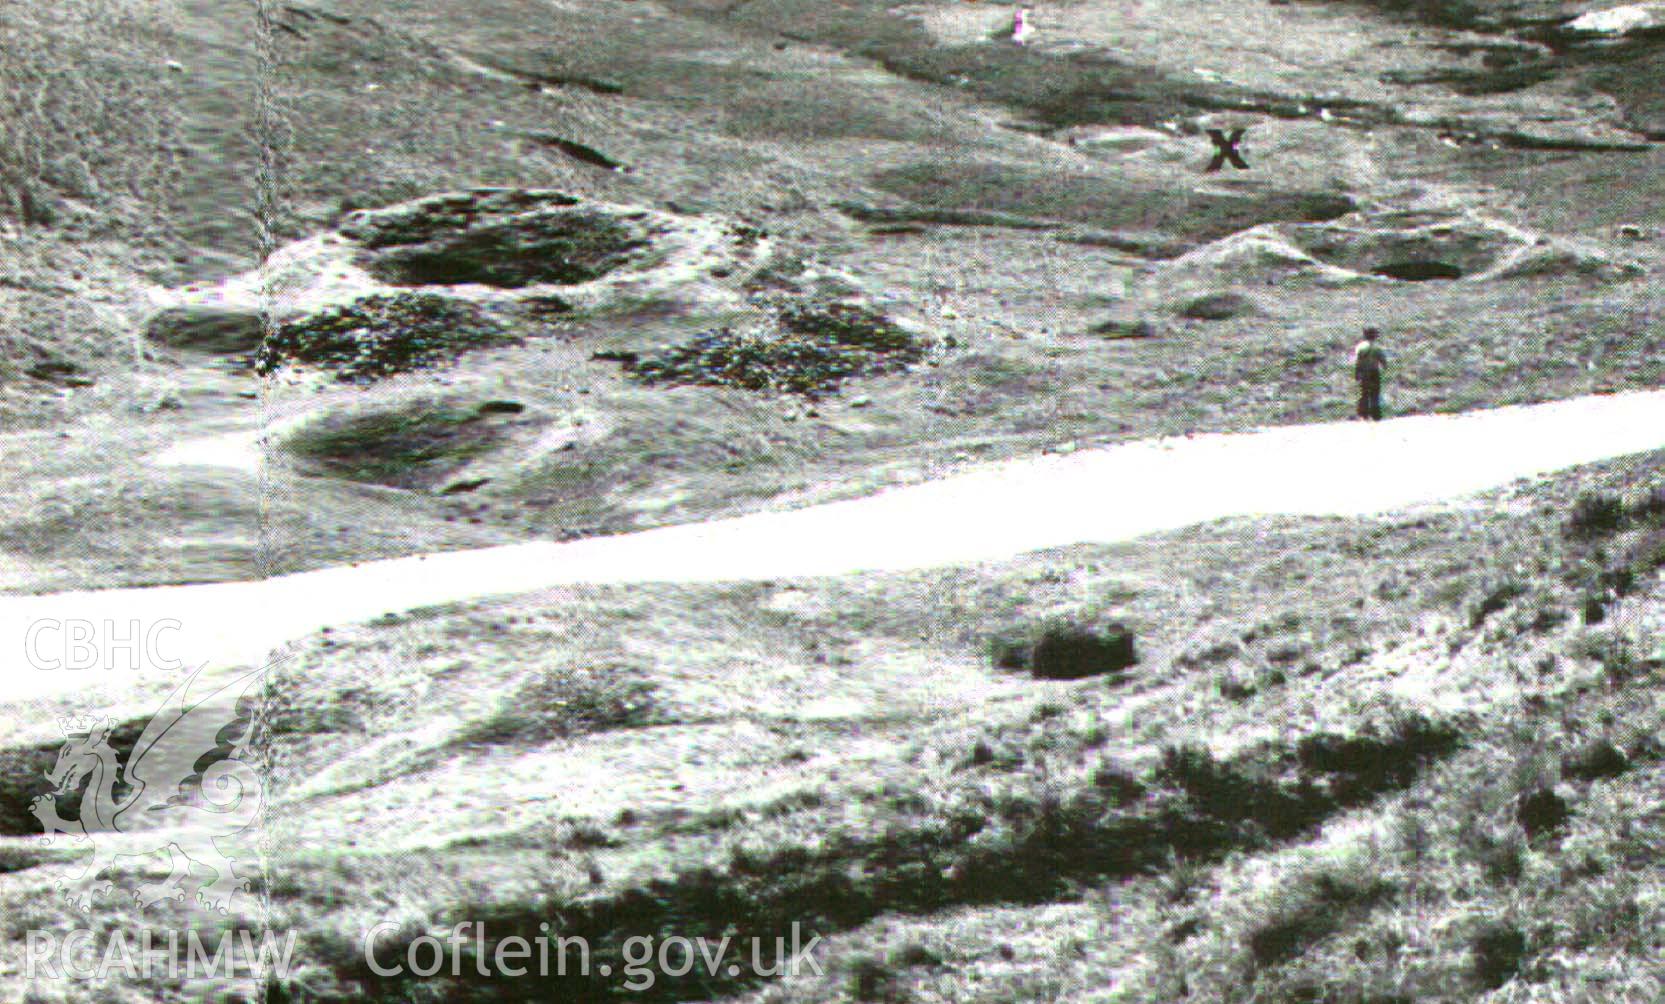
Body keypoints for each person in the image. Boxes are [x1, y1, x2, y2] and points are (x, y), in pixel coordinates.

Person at [1352, 327, 1387, 421]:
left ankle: (1363, 414)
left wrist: (1357, 373)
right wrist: (1384, 367)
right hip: (1374, 372)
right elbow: (1383, 361)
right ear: (1374, 336)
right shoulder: (1377, 347)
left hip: (1364, 372)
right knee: (1375, 393)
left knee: (1364, 393)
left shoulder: (1360, 347)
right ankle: (1376, 414)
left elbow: (1358, 362)